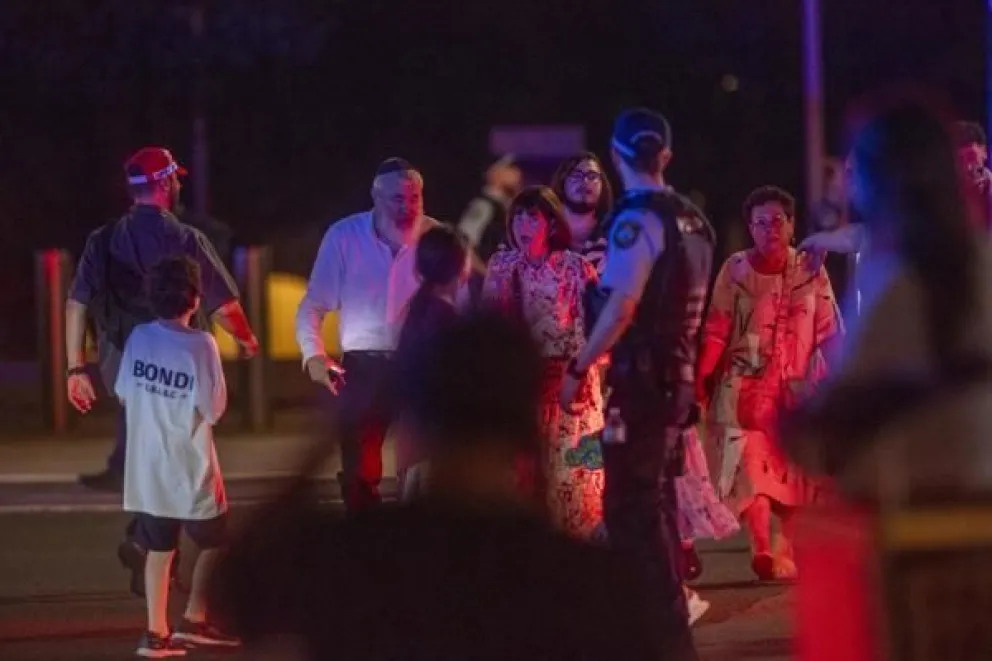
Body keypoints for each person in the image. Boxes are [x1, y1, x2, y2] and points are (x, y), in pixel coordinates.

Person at [207, 312, 674, 661]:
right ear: (527, 421)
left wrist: (333, 432)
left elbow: (236, 588)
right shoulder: (593, 585)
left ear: (416, 413)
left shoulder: (354, 559)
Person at [782, 95, 992, 661]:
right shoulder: (981, 261)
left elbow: (833, 434)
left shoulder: (900, 284)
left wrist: (791, 419)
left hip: (922, 545)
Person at [65, 146, 258, 596]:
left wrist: (77, 367)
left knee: (151, 458)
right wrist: (247, 339)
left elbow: (76, 304)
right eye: (177, 180)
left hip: (127, 374)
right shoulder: (187, 239)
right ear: (168, 183)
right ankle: (157, 543)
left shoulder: (103, 238)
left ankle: (151, 549)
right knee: (186, 461)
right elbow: (224, 304)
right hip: (180, 372)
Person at [559, 107, 713, 661]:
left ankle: (655, 638)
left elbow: (622, 304)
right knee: (659, 507)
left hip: (643, 381)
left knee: (632, 510)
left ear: (618, 154)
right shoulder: (694, 218)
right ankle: (669, 633)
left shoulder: (635, 221)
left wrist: (579, 368)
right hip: (678, 378)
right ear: (666, 155)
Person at [696, 185, 842, 581]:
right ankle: (762, 548)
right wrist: (699, 379)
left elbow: (829, 331)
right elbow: (716, 329)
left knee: (796, 479)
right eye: (760, 222)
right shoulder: (736, 269)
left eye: (777, 220)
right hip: (742, 390)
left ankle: (787, 549)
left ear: (792, 225)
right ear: (750, 228)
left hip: (797, 392)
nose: (769, 229)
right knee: (751, 473)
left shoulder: (811, 268)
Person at [108, 256, 237, 658]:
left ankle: (155, 633)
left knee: (159, 550)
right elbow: (214, 409)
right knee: (216, 541)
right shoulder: (202, 345)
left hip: (147, 467)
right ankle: (195, 617)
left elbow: (124, 392)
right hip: (190, 463)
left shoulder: (140, 338)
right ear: (195, 300)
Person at [296, 157, 441, 513]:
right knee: (360, 471)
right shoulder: (344, 237)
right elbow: (314, 304)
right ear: (375, 197)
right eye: (397, 198)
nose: (407, 206)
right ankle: (365, 548)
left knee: (423, 469)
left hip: (420, 363)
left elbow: (464, 299)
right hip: (364, 365)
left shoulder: (437, 237)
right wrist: (314, 355)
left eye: (414, 197)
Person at [482, 186, 605, 539]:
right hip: (521, 382)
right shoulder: (502, 266)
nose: (524, 224)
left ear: (551, 223)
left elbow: (597, 330)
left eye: (532, 216)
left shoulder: (576, 268)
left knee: (574, 476)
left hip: (571, 381)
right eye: (518, 215)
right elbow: (491, 328)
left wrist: (578, 371)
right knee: (523, 474)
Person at [394, 225, 471, 498]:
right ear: (462, 268)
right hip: (438, 444)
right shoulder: (446, 319)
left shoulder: (418, 310)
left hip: (415, 435)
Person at [550, 151, 614, 274]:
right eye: (576, 174)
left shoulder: (613, 233)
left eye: (592, 176)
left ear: (602, 184)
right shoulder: (544, 230)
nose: (585, 181)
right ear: (562, 180)